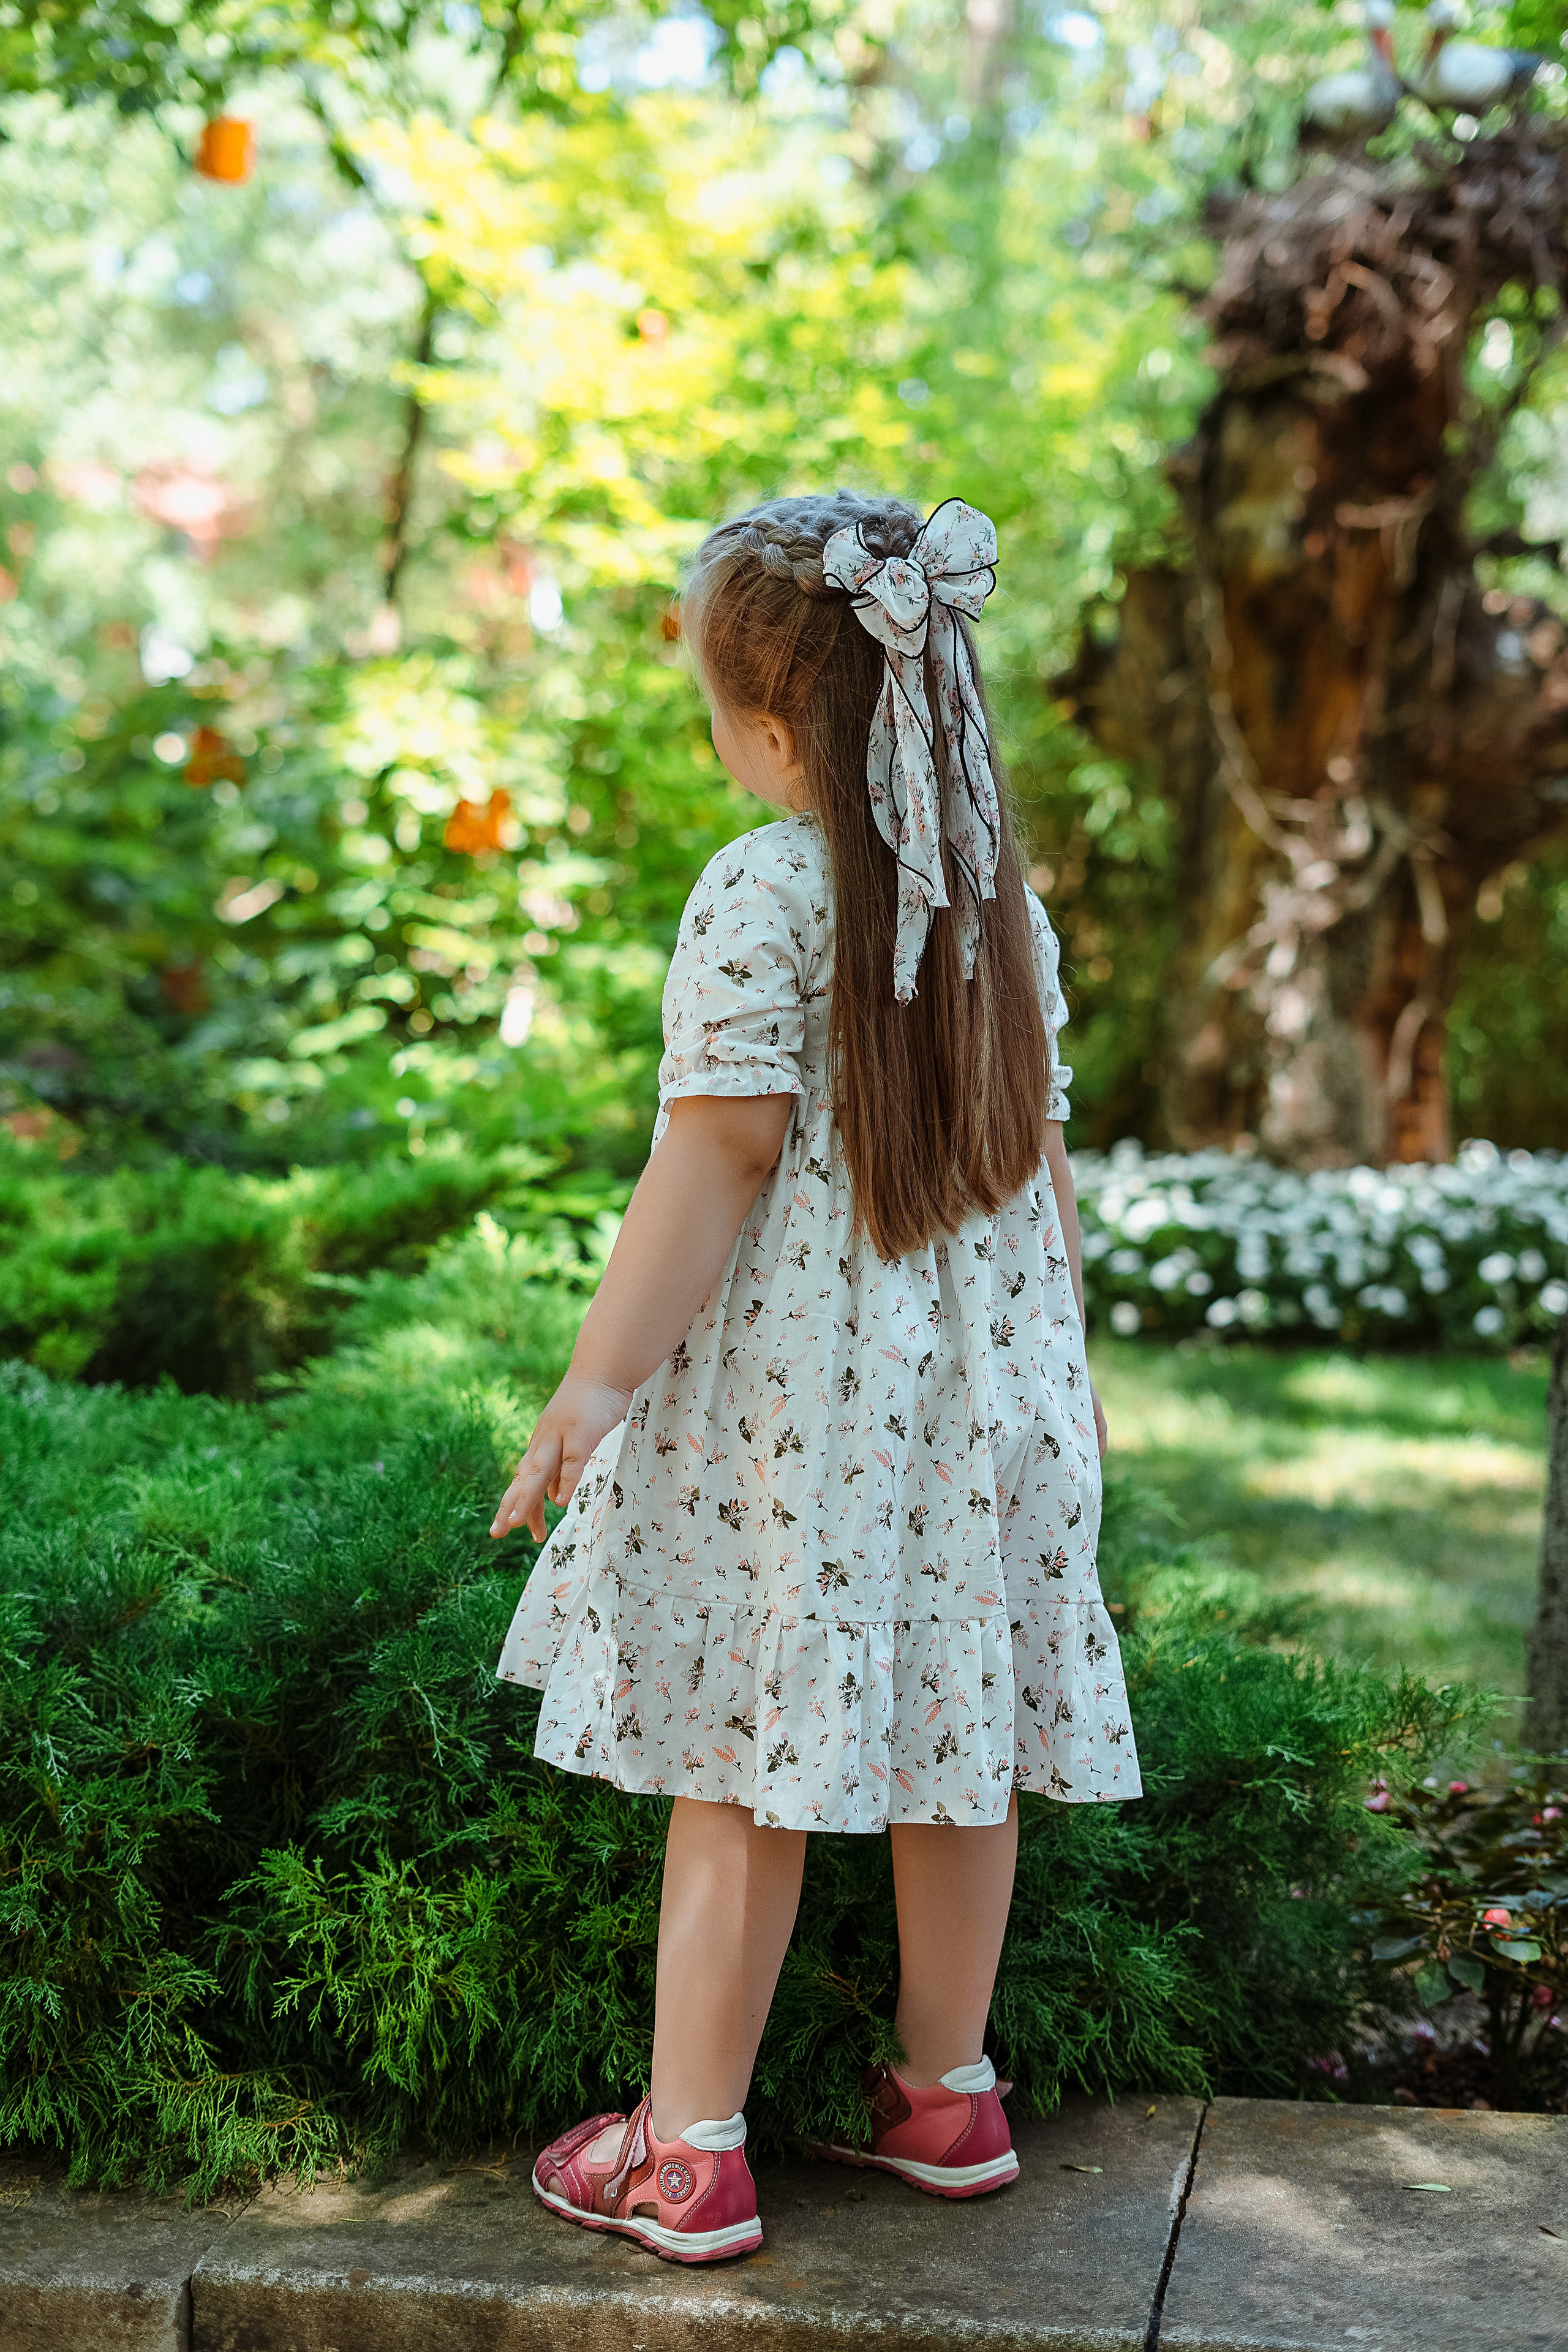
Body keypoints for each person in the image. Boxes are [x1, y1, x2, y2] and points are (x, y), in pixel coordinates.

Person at [490, 491, 1140, 2264]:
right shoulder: (1004, 893)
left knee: (740, 1753)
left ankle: (685, 2149)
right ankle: (950, 2093)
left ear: (778, 724)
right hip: (979, 1399)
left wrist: (595, 1383)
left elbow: (720, 1157)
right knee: (965, 1744)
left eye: (715, 702)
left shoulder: (768, 885)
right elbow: (1043, 1159)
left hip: (805, 1413)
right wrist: (1066, 1378)